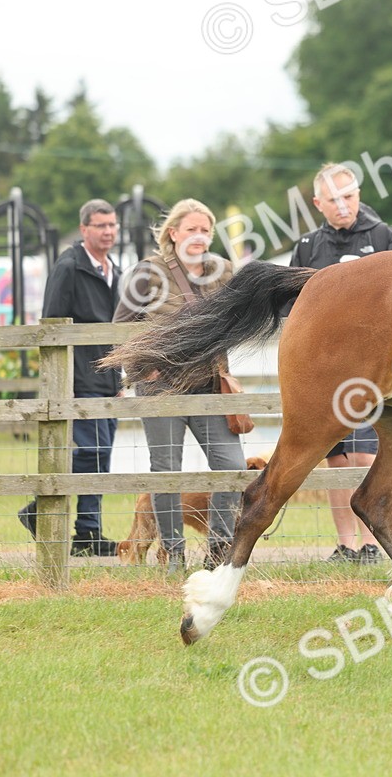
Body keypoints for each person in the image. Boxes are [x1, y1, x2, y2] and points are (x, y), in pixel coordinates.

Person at [112, 198, 245, 571]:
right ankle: (173, 553)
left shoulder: (223, 271)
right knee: (167, 470)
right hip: (162, 387)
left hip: (210, 385)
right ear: (173, 233)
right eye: (191, 229)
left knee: (231, 465)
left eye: (205, 230)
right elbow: (119, 326)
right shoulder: (148, 272)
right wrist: (144, 369)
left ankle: (220, 550)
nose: (199, 236)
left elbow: (240, 318)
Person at [288, 163, 392, 564]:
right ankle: (347, 544)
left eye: (349, 196)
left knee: (365, 453)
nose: (343, 205)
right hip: (324, 367)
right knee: (335, 456)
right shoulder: (307, 246)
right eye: (333, 199)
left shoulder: (384, 236)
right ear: (318, 203)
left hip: (375, 364)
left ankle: (375, 542)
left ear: (359, 194)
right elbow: (292, 305)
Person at [18, 199, 122, 557]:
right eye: (100, 226)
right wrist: (63, 381)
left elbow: (115, 330)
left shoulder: (115, 270)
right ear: (84, 230)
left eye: (112, 225)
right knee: (92, 450)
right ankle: (37, 508)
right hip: (78, 378)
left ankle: (88, 531)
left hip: (108, 378)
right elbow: (52, 324)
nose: (108, 232)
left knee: (103, 454)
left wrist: (120, 378)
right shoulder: (69, 267)